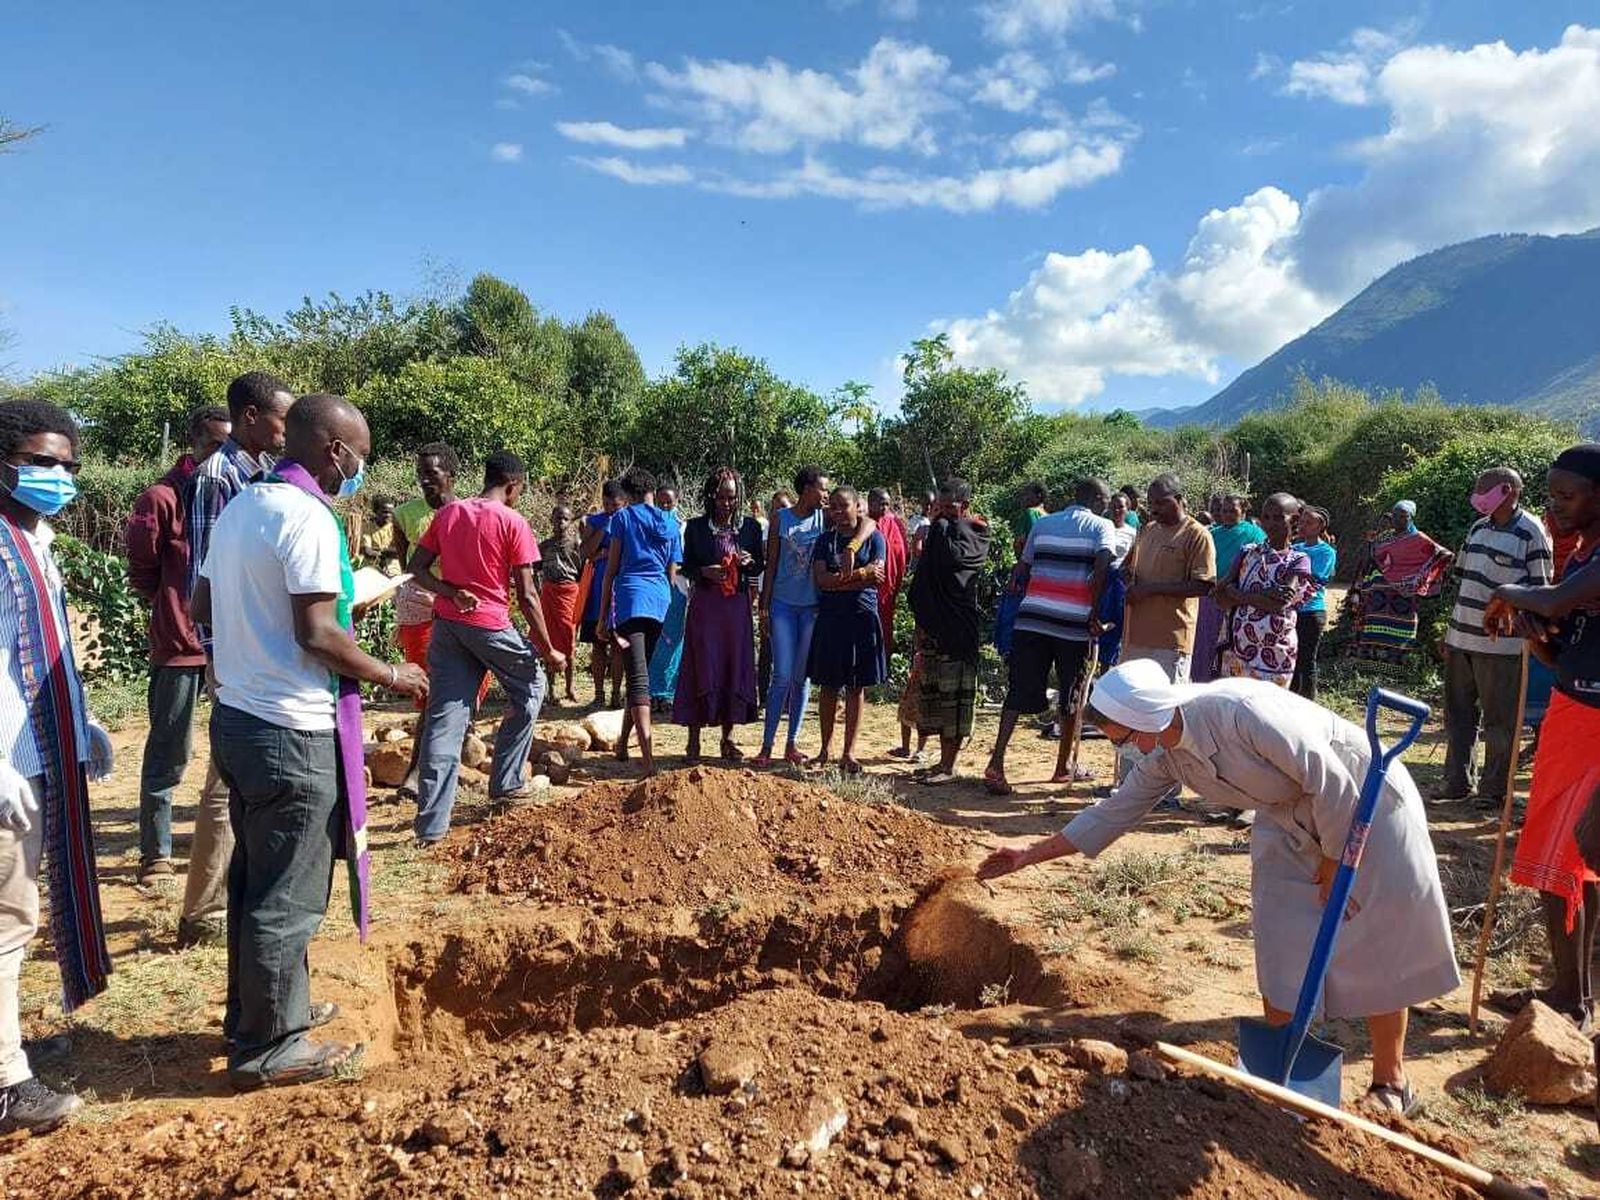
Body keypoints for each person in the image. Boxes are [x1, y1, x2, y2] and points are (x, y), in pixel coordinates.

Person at [977, 659, 1460, 1117]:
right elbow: (1113, 813)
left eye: (1121, 738)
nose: (1122, 748)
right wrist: (1026, 856)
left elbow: (1330, 779)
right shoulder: (1166, 755)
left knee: (1374, 938)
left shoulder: (1240, 713)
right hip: (1285, 818)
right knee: (1279, 937)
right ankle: (1286, 1073)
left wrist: (1335, 856)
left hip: (1362, 802)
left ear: (1144, 718)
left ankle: (1391, 1083)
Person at [192, 393, 428, 1091]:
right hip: (291, 728)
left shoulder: (243, 506)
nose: (361, 467)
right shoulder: (308, 516)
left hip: (238, 717)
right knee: (289, 891)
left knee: (254, 878)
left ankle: (260, 1012)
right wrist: (392, 671)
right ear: (336, 452)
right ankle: (269, 1047)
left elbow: (204, 605)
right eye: (361, 454)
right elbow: (319, 634)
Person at [0, 398, 114, 1134]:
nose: (59, 476)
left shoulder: (31, 542)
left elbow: (32, 655)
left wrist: (83, 719)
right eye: (43, 462)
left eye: (69, 465)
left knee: (20, 911)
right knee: (7, 918)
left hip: (39, 751)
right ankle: (6, 1084)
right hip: (9, 763)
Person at [1483, 445, 1600, 1030]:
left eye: (1566, 494)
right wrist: (1534, 635)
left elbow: (1551, 600)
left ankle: (1571, 998)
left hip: (1595, 726)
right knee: (1576, 861)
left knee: (1568, 854)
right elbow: (1562, 644)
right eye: (1551, 493)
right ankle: (1569, 991)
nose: (1555, 505)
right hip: (1573, 708)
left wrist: (1512, 594)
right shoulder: (1582, 556)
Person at [179, 370, 294, 949]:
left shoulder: (262, 477)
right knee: (226, 780)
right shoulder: (217, 479)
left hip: (258, 652)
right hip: (233, 656)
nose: (286, 429)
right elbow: (206, 583)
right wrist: (224, 663)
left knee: (246, 778)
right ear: (251, 416)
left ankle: (230, 897)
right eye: (281, 418)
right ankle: (202, 910)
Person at [407, 452, 565, 844]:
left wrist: (451, 592)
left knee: (444, 721)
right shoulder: (514, 521)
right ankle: (508, 784)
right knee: (531, 687)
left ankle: (431, 827)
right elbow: (528, 595)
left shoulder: (449, 514)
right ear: (514, 487)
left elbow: (418, 568)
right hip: (489, 625)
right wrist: (549, 650)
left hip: (449, 627)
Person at [125, 405, 230, 888]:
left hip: (228, 643)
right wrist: (176, 608)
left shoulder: (234, 492)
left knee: (233, 743)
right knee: (171, 747)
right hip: (181, 644)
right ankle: (156, 853)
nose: (219, 455)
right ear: (194, 443)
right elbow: (144, 573)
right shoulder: (163, 499)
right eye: (212, 444)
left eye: (227, 445)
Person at [984, 479, 1114, 795]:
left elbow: (1022, 569)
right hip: (1073, 623)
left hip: (1032, 619)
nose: (1108, 505)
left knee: (1017, 691)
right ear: (1097, 499)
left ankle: (996, 763)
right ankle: (1062, 767)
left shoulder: (1043, 524)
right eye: (1106, 500)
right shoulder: (1102, 526)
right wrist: (1095, 614)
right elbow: (1102, 570)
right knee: (1072, 693)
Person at [1433, 469, 1553, 807]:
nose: (1478, 494)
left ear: (1509, 490)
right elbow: (1463, 581)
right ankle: (1456, 782)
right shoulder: (1478, 527)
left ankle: (1493, 790)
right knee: (1458, 716)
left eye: (1484, 489)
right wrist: (1449, 631)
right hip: (1461, 638)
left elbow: (1541, 591)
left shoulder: (1532, 532)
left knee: (1500, 722)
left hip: (1502, 645)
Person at [389, 444, 484, 797]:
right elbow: (406, 557)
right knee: (430, 687)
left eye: (432, 473)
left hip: (460, 602)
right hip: (421, 601)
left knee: (462, 682)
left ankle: (452, 749)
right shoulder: (406, 514)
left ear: (451, 476)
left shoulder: (469, 512)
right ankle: (417, 771)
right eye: (421, 474)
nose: (425, 480)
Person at [1114, 474, 1215, 789]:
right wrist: (1124, 576)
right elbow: (1129, 567)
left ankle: (1165, 788)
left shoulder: (1197, 535)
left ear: (1180, 499)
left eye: (1161, 502)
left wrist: (1152, 590)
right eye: (1151, 502)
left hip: (1171, 639)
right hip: (1135, 636)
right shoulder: (1148, 530)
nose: (1154, 509)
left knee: (1165, 715)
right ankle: (1130, 784)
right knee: (1133, 711)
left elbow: (1203, 584)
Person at [598, 467, 683, 778]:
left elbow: (611, 569)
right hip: (659, 602)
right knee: (641, 673)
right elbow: (672, 572)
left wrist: (605, 612)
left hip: (630, 600)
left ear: (628, 494)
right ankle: (623, 743)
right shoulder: (670, 522)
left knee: (637, 679)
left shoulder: (622, 518)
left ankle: (648, 761)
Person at [675, 468, 765, 762]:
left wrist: (749, 562)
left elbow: (758, 567)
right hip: (706, 606)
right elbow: (685, 566)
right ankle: (693, 741)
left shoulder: (749, 528)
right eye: (722, 497)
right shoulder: (696, 528)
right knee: (702, 664)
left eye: (732, 497)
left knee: (731, 665)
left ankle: (728, 739)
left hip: (735, 606)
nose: (727, 503)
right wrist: (704, 571)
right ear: (711, 496)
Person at [908, 478, 991, 785]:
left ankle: (949, 765)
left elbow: (958, 563)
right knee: (938, 696)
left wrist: (940, 527)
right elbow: (927, 576)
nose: (942, 513)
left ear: (965, 506)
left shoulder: (978, 531)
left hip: (959, 629)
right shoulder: (938, 532)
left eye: (949, 508)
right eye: (939, 508)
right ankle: (941, 761)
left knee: (955, 697)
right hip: (934, 627)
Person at [808, 487, 888, 772]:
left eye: (845, 506)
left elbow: (877, 578)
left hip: (862, 617)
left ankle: (849, 753)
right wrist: (858, 575)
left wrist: (842, 578)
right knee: (828, 686)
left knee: (856, 687)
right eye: (834, 508)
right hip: (831, 618)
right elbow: (821, 581)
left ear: (858, 507)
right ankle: (824, 749)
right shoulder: (824, 542)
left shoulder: (875, 539)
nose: (839, 513)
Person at [757, 467, 832, 766]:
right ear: (807, 489)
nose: (826, 495)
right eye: (822, 489)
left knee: (802, 679)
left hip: (812, 608)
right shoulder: (781, 519)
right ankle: (766, 745)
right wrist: (763, 606)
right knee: (782, 676)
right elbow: (771, 564)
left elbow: (861, 521)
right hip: (783, 606)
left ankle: (791, 744)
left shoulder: (824, 518)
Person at [1213, 493, 1316, 686]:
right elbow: (1220, 594)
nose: (1270, 524)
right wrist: (1264, 595)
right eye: (1266, 517)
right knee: (1234, 707)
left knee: (1268, 709)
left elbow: (1280, 604)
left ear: (1294, 520)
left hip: (1275, 652)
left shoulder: (1299, 560)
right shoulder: (1248, 552)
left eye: (1278, 518)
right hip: (1238, 649)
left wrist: (1238, 594)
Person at [1347, 501, 1453, 666]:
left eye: (1402, 516)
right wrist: (1370, 543)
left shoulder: (1419, 539)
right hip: (1379, 594)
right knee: (1374, 627)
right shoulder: (1384, 537)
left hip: (1403, 595)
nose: (1397, 520)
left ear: (1411, 518)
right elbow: (1369, 561)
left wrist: (1417, 578)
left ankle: (1396, 669)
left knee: (1401, 631)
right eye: (1395, 515)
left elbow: (1442, 555)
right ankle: (1370, 666)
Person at [1193, 495, 1266, 683]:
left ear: (1243, 511)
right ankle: (1202, 679)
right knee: (1205, 640)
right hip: (1210, 595)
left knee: (1230, 644)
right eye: (1224, 510)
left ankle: (1226, 682)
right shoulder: (1212, 533)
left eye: (1232, 511)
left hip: (1237, 596)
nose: (1227, 514)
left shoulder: (1254, 534)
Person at [579, 481, 627, 708]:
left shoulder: (629, 520)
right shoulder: (595, 521)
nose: (611, 509)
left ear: (624, 503)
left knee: (618, 644)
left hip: (620, 589)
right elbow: (587, 552)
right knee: (597, 645)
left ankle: (616, 695)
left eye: (615, 506)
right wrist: (606, 525)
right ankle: (598, 695)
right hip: (597, 591)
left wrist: (608, 553)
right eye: (607, 504)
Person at [647, 485, 689, 712]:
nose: (664, 506)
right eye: (660, 502)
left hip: (677, 590)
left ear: (676, 502)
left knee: (673, 641)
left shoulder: (683, 528)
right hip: (652, 589)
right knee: (654, 640)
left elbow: (687, 560)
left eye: (669, 503)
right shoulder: (648, 528)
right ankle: (652, 692)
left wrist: (675, 569)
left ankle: (669, 693)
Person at [537, 503, 584, 705]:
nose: (560, 523)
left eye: (565, 518)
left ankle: (570, 686)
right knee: (549, 639)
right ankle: (551, 689)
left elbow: (582, 569)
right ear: (551, 521)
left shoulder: (576, 544)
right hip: (549, 593)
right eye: (557, 518)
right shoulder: (544, 546)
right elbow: (534, 568)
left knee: (568, 637)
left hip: (569, 592)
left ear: (570, 521)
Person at [1290, 506, 1337, 701]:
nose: (1303, 526)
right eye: (1301, 522)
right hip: (1292, 611)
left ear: (1320, 526)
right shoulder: (1295, 547)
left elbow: (1316, 578)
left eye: (1308, 523)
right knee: (1292, 658)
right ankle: (1290, 700)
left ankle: (1308, 702)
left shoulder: (1326, 551)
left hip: (1311, 612)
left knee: (1307, 661)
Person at [755, 489, 792, 710]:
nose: (781, 510)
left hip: (789, 592)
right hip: (767, 590)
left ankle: (786, 697)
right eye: (777, 507)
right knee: (767, 643)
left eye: (785, 506)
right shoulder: (769, 528)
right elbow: (767, 558)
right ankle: (763, 696)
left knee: (785, 646)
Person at [869, 487, 909, 657]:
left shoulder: (893, 523)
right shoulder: (862, 524)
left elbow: (903, 553)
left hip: (889, 586)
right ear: (871, 503)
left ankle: (884, 665)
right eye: (881, 504)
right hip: (868, 586)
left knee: (885, 625)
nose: (885, 508)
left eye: (887, 504)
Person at [358, 498, 399, 572]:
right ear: (375, 511)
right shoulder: (367, 528)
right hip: (371, 568)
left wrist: (377, 552)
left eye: (391, 512)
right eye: (385, 512)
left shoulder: (396, 528)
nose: (388, 515)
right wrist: (385, 554)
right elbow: (367, 551)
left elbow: (399, 551)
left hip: (393, 569)